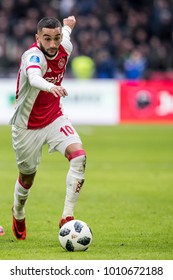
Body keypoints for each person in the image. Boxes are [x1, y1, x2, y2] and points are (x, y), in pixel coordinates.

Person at [10, 16, 86, 240]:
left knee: (79, 156)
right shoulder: (32, 55)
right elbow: (34, 78)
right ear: (37, 38)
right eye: (47, 39)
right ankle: (19, 211)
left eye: (56, 38)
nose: (53, 44)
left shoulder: (65, 46)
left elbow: (68, 31)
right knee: (27, 177)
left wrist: (68, 25)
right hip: (26, 126)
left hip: (54, 117)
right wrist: (51, 85)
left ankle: (67, 217)